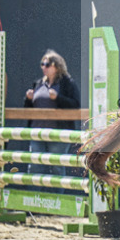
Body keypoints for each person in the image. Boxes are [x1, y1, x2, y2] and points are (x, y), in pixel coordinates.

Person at [24, 50, 81, 185]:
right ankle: (34, 201)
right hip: (37, 131)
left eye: (47, 64)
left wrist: (58, 98)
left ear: (57, 66)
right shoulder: (38, 84)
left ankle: (57, 199)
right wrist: (28, 99)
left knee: (56, 167)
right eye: (42, 64)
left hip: (57, 132)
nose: (43, 67)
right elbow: (28, 109)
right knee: (35, 166)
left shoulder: (67, 84)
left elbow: (75, 105)